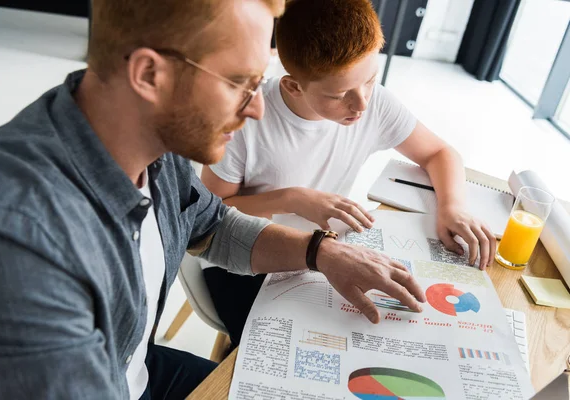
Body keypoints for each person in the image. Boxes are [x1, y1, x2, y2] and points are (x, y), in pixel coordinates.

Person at [0, 0, 427, 398]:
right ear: (150, 74)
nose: (256, 108)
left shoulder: (153, 143)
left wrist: (321, 252)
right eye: (237, 83)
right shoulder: (15, 238)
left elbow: (213, 225)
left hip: (138, 371)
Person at [202, 0, 497, 346]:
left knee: (390, 329)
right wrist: (293, 198)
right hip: (248, 259)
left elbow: (439, 152)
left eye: (370, 80)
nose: (361, 104)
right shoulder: (247, 121)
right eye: (340, 95)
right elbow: (210, 213)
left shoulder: (374, 103)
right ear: (294, 86)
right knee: (290, 347)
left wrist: (452, 206)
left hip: (325, 254)